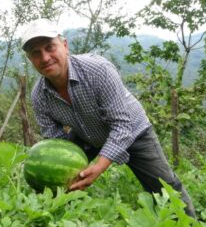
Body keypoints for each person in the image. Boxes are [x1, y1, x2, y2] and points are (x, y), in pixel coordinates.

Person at [21, 18, 196, 218]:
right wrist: (64, 171)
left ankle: (188, 222)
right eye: (36, 53)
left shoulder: (97, 70)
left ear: (65, 45)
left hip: (132, 130)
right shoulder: (39, 96)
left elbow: (122, 125)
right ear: (31, 60)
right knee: (58, 184)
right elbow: (55, 139)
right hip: (87, 136)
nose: (45, 57)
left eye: (50, 47)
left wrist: (99, 167)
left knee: (165, 187)